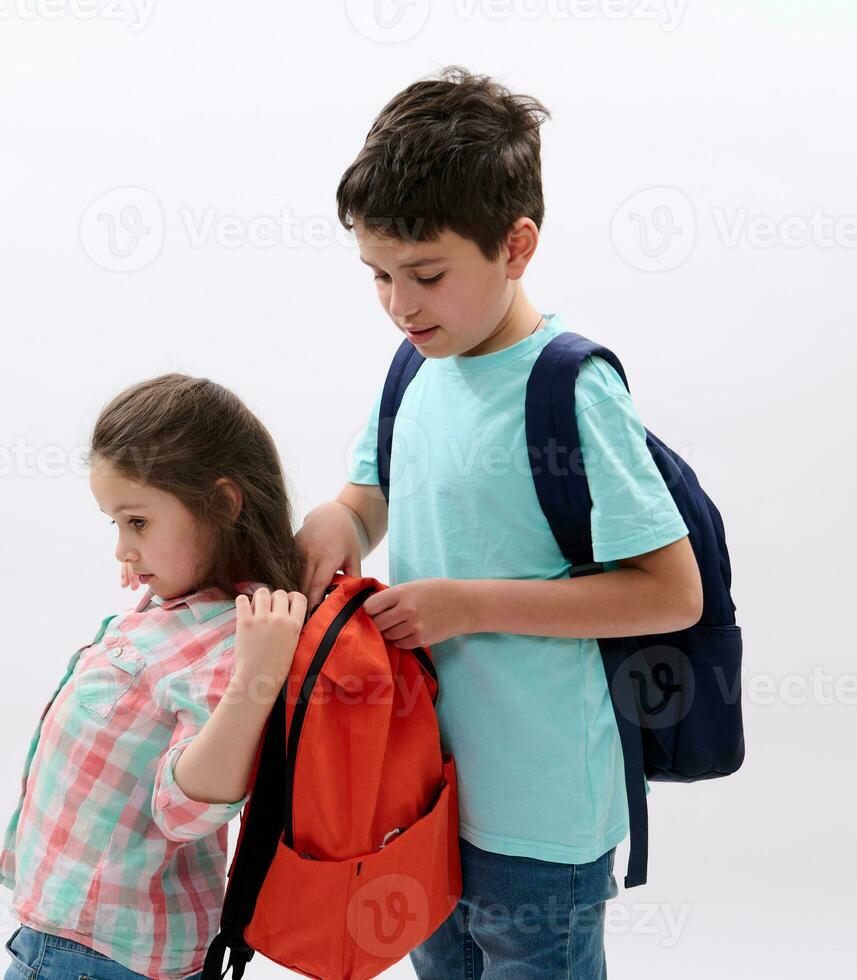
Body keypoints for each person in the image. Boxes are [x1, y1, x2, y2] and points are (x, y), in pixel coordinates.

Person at [296, 67, 704, 979]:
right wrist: (333, 527)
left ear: (515, 245)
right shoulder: (413, 369)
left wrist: (466, 606)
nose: (400, 305)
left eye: (426, 275)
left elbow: (669, 594)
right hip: (420, 796)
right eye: (378, 276)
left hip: (541, 815)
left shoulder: (569, 386)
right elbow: (368, 497)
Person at [0, 373, 308, 980]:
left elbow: (186, 811)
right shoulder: (183, 609)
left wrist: (255, 680)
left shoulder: (236, 639)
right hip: (78, 939)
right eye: (115, 524)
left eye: (137, 522)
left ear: (222, 503)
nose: (121, 549)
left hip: (100, 956)